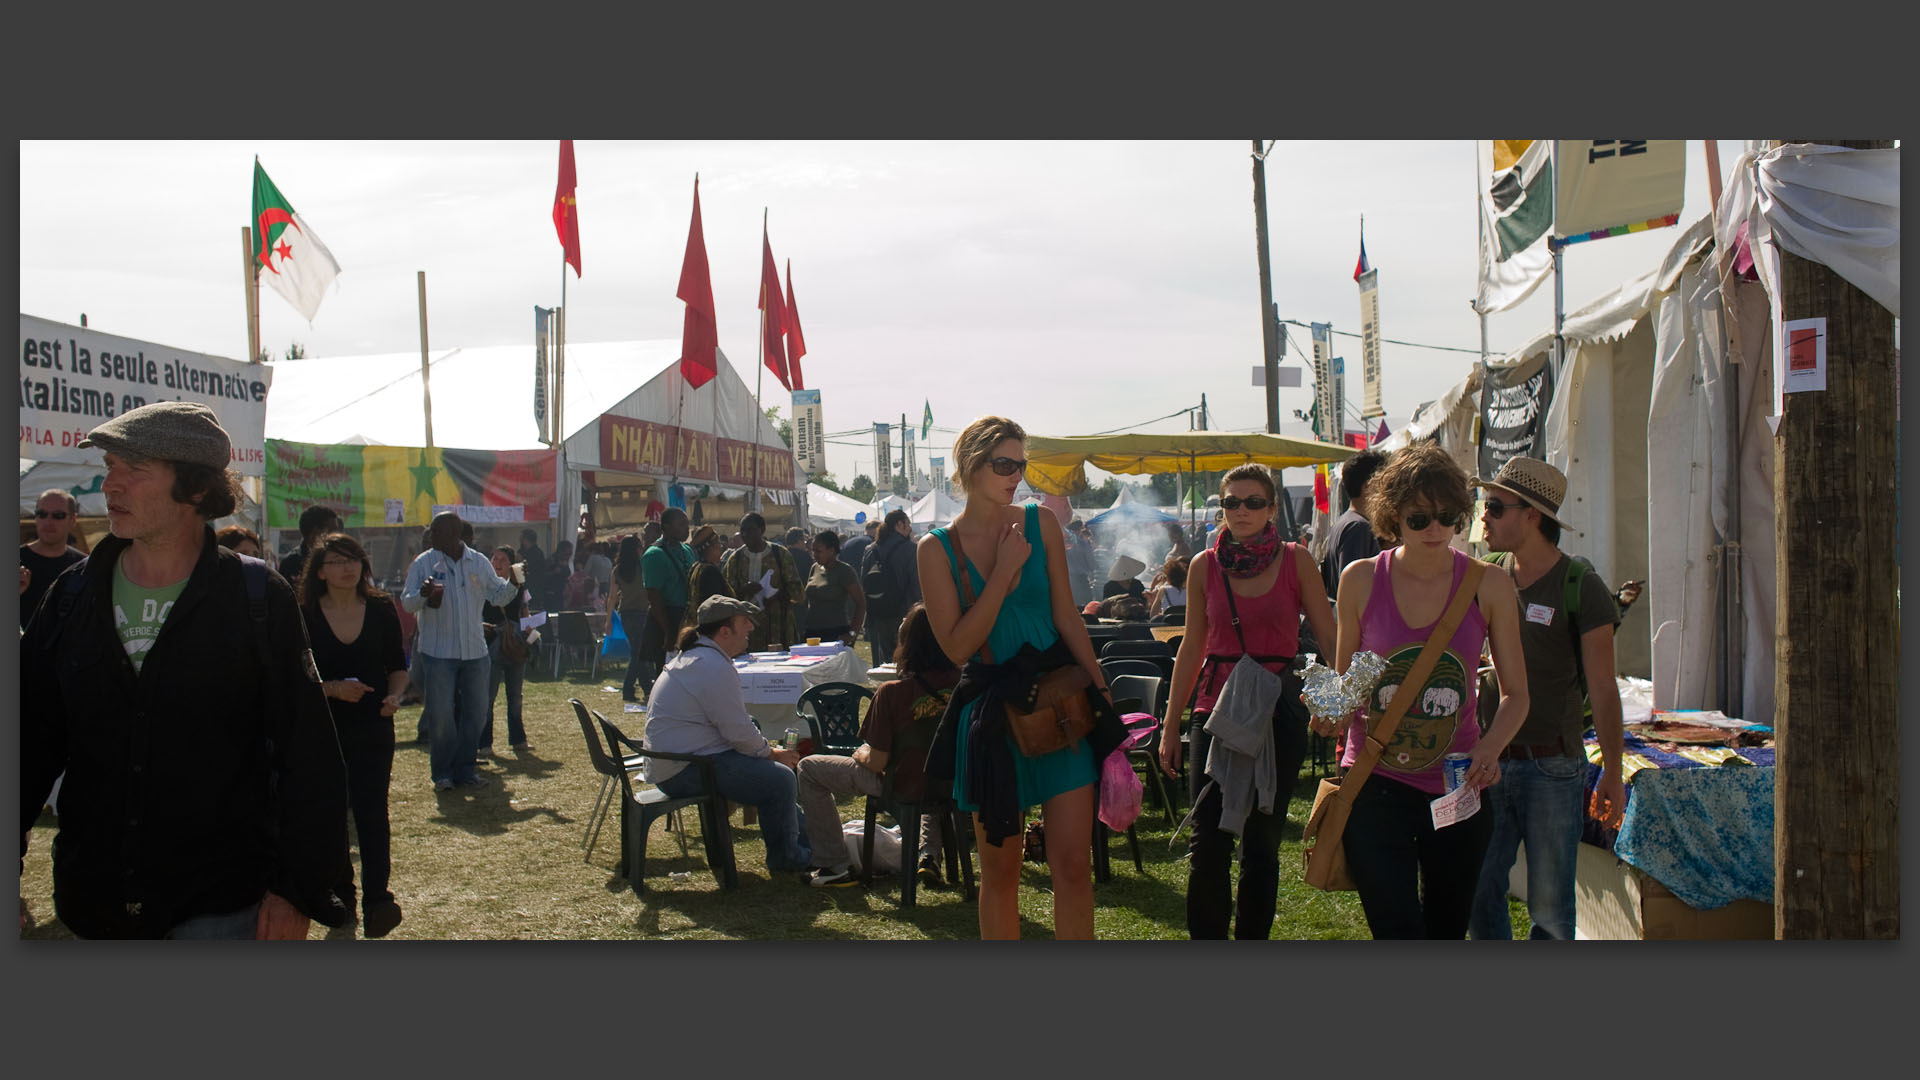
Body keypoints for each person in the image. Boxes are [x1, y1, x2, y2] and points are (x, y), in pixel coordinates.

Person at [19, 400, 350, 939]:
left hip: (220, 907)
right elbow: (27, 742)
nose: (110, 486)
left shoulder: (256, 597)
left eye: (134, 471)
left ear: (196, 489)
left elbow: (307, 754)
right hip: (95, 904)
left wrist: (298, 888)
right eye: (109, 468)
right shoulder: (71, 596)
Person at [919, 415, 1125, 940]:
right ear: (971, 465)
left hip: (1059, 706)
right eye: (1003, 463)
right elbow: (958, 646)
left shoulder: (1042, 524)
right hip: (990, 719)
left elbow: (1067, 615)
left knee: (1075, 865)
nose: (1016, 474)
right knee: (1001, 875)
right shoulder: (936, 549)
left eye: (1020, 464)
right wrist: (1006, 572)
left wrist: (1101, 693)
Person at [1320, 441, 1529, 939]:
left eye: (1447, 516)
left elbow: (1518, 693)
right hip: (1373, 782)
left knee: (1445, 931)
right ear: (1392, 518)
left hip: (1457, 784)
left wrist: (1489, 747)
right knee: (1395, 930)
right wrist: (1327, 710)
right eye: (1419, 519)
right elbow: (1345, 679)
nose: (1435, 529)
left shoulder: (1490, 584)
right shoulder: (1361, 578)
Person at [1157, 465, 1336, 939]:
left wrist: (1341, 705)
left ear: (1272, 508)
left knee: (1262, 845)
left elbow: (1329, 636)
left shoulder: (1298, 561)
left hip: (1277, 711)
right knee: (1208, 843)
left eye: (1253, 501)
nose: (1240, 510)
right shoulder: (1204, 565)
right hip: (1214, 711)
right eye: (1231, 502)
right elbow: (1192, 647)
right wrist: (1170, 724)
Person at [1468, 457, 1626, 941]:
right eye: (1484, 505)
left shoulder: (1581, 585)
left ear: (1532, 515)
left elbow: (1603, 688)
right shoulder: (1486, 574)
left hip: (1552, 765)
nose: (1484, 517)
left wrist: (1614, 774)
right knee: (1477, 889)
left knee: (1552, 909)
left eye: (1494, 506)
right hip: (1489, 759)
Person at [641, 595, 812, 874]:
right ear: (724, 631)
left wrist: (764, 752)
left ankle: (813, 845)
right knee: (779, 779)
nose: (751, 628)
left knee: (771, 776)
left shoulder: (701, 658)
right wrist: (771, 753)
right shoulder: (711, 665)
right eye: (744, 623)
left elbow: (736, 729)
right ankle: (788, 858)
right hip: (685, 770)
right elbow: (738, 732)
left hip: (681, 762)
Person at [798, 603, 960, 887]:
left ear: (906, 644)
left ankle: (833, 865)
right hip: (950, 783)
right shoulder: (963, 684)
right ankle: (927, 855)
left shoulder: (891, 693)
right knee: (927, 775)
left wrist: (860, 753)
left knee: (809, 767)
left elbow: (877, 762)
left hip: (897, 784)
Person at [299, 531, 410, 938]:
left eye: (355, 560)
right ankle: (341, 896)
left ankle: (378, 898)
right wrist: (332, 689)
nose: (348, 568)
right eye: (337, 561)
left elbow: (397, 665)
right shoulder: (304, 613)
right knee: (331, 815)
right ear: (320, 572)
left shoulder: (381, 608)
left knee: (372, 812)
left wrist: (395, 696)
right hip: (323, 728)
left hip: (374, 723)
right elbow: (296, 678)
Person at [402, 511, 519, 792]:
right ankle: (442, 773)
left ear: (455, 534)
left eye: (436, 531)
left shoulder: (478, 562)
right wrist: (423, 595)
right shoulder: (424, 562)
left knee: (477, 713)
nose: (431, 537)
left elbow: (498, 595)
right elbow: (407, 603)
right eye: (431, 532)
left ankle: (466, 769)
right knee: (441, 715)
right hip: (438, 652)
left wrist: (515, 582)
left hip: (475, 652)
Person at [723, 512, 804, 652]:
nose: (745, 534)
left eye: (750, 530)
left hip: (778, 628)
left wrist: (776, 595)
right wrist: (743, 590)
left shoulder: (780, 554)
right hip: (747, 631)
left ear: (762, 530)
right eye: (743, 530)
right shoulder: (735, 559)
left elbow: (798, 593)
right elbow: (725, 593)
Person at [480, 545, 533, 756]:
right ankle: (484, 743)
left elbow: (524, 611)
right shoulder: (485, 583)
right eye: (494, 558)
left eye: (502, 560)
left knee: (515, 695)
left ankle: (518, 739)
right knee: (488, 696)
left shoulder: (518, 583)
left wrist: (531, 634)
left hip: (514, 642)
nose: (497, 563)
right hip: (492, 641)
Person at [1321, 448, 1387, 601]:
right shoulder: (1358, 527)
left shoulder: (1346, 522)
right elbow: (1353, 591)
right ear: (1368, 487)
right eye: (1385, 482)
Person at [861, 509, 922, 666]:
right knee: (906, 657)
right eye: (907, 524)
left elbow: (864, 582)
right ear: (899, 524)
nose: (910, 529)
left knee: (885, 659)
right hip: (904, 611)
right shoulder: (910, 549)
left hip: (879, 611)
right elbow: (917, 584)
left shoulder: (871, 549)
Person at [21, 488, 87, 627]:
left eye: (58, 515)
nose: (48, 521)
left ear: (73, 520)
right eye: (42, 514)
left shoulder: (83, 566)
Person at [641, 508, 696, 670]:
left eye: (687, 524)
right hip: (667, 617)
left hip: (688, 616)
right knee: (666, 671)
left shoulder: (688, 550)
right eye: (681, 524)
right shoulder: (654, 554)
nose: (687, 528)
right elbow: (654, 595)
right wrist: (668, 631)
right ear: (666, 527)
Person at [607, 534, 651, 702]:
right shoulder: (643, 566)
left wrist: (609, 619)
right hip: (642, 612)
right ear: (637, 549)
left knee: (637, 653)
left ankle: (638, 689)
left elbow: (612, 597)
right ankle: (636, 689)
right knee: (639, 654)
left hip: (626, 613)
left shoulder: (617, 570)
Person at [802, 530, 865, 646]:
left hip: (835, 631)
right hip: (812, 632)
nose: (814, 555)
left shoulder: (844, 571)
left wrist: (851, 633)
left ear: (831, 551)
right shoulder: (814, 568)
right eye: (813, 551)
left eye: (818, 551)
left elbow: (861, 603)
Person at [280, 503, 343, 584]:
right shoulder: (290, 564)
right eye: (333, 531)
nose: (337, 536)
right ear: (315, 532)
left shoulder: (341, 559)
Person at [683, 524, 733, 625]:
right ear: (712, 547)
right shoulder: (710, 572)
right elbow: (716, 606)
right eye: (718, 543)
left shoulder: (695, 567)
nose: (721, 546)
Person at [1064, 518, 1096, 608]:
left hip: (1067, 578)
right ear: (1079, 530)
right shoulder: (1083, 543)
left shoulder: (1063, 542)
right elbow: (1091, 562)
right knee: (1086, 604)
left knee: (1071, 604)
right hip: (1081, 578)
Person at [1149, 553, 1190, 617]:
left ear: (1168, 576)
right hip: (1186, 624)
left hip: (1168, 625)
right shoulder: (1192, 590)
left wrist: (1162, 614)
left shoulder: (1163, 590)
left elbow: (1152, 615)